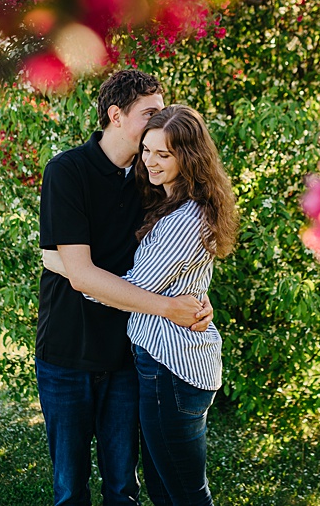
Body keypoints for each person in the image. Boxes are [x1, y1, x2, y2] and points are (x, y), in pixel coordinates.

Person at [37, 70, 213, 506]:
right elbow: (81, 275)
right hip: (68, 351)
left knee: (123, 488)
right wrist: (169, 308)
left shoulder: (152, 174)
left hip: (127, 355)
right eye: (150, 113)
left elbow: (180, 250)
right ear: (116, 116)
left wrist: (196, 299)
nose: (161, 120)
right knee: (69, 489)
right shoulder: (67, 170)